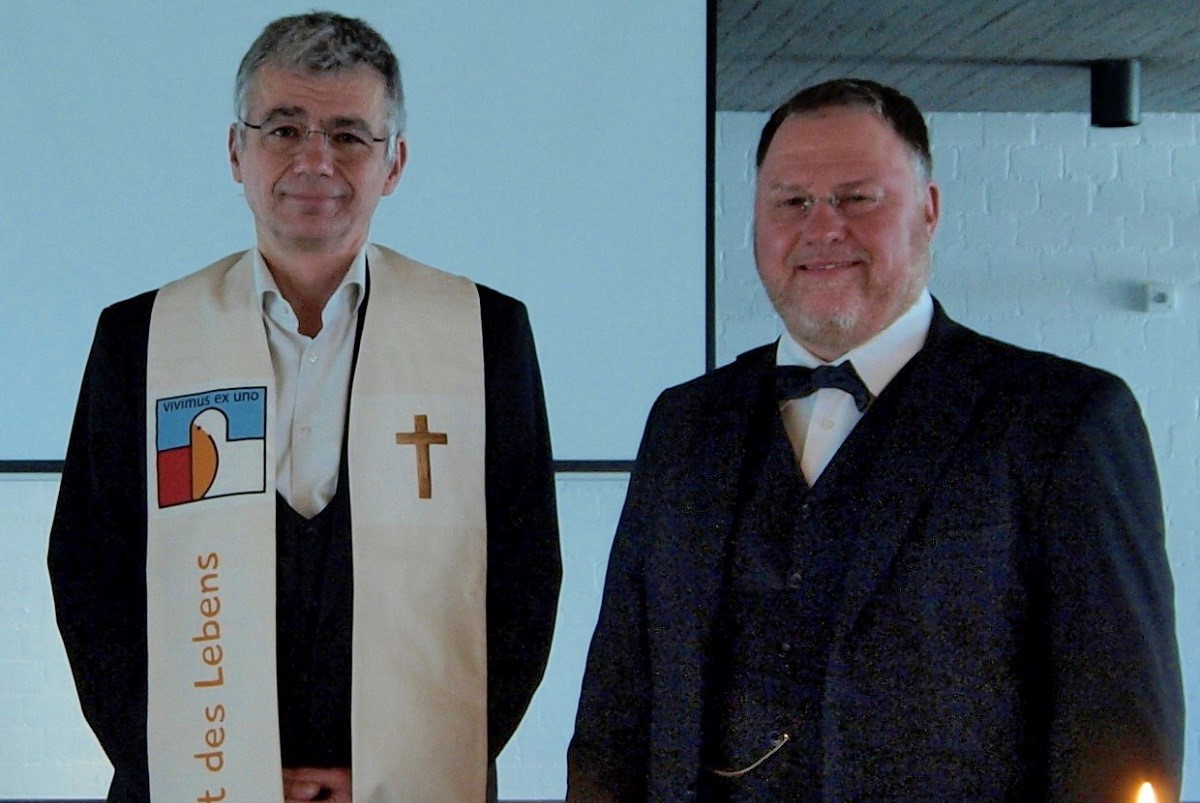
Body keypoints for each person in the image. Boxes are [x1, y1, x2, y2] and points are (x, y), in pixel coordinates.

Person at [567, 79, 1183, 801]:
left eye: (858, 198)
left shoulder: (1064, 419)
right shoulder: (684, 424)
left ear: (928, 211)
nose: (823, 228)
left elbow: (1119, 723)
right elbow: (615, 705)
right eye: (792, 201)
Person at [48, 12, 560, 803]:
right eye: (283, 128)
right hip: (195, 782)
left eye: (350, 135)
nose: (315, 160)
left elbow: (524, 576)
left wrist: (407, 768)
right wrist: (203, 766)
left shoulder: (484, 335)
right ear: (236, 152)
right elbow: (90, 573)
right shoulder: (142, 340)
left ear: (394, 164)